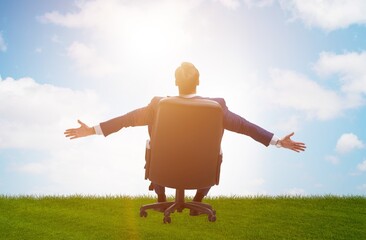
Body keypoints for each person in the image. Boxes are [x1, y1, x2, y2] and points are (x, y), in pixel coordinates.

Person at [64, 62, 306, 204]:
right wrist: (277, 142)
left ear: (175, 82)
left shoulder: (158, 105)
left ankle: (161, 196)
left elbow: (126, 120)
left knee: (151, 142)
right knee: (217, 149)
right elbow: (245, 126)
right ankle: (197, 201)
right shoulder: (217, 107)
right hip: (202, 174)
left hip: (162, 171)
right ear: (198, 82)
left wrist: (92, 131)